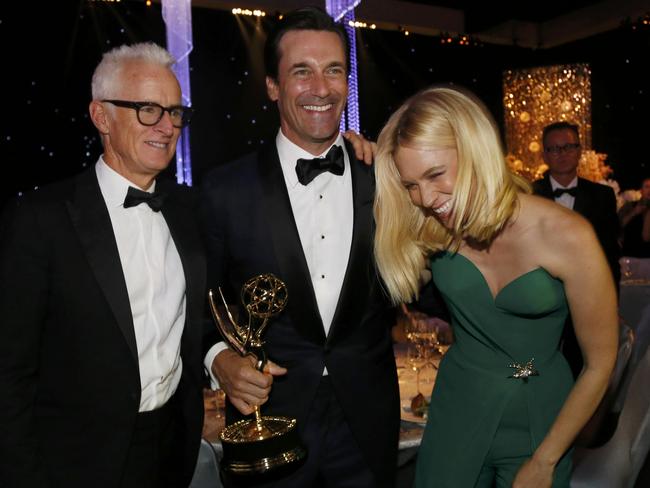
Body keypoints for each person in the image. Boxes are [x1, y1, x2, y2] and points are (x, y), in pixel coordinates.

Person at [374, 86, 617, 487]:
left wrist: (546, 460)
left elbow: (600, 363)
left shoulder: (568, 234)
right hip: (459, 406)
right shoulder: (431, 228)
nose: (426, 198)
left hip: (542, 418)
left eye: (435, 174)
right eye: (410, 185)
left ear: (474, 149)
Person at [200, 6, 399, 488]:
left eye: (334, 71)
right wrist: (218, 360)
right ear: (272, 86)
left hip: (367, 427)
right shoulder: (224, 189)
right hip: (267, 426)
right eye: (301, 72)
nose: (321, 87)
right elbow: (198, 303)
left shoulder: (389, 177)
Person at [0, 43, 206, 488]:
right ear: (101, 116)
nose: (167, 127)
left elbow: (205, 318)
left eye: (175, 112)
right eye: (149, 109)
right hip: (75, 464)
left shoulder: (188, 212)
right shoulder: (40, 220)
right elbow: (10, 373)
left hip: (171, 453)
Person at [533, 121, 620, 378]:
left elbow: (610, 254)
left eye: (568, 146)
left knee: (581, 367)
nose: (562, 153)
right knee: (533, 367)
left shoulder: (602, 196)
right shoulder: (528, 193)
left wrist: (613, 305)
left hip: (587, 298)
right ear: (545, 154)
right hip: (538, 297)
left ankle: (576, 415)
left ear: (580, 150)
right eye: (554, 149)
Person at [618, 176, 650, 257]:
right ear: (641, 190)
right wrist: (634, 212)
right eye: (647, 187)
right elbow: (617, 226)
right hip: (629, 255)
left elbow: (646, 237)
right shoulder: (629, 206)